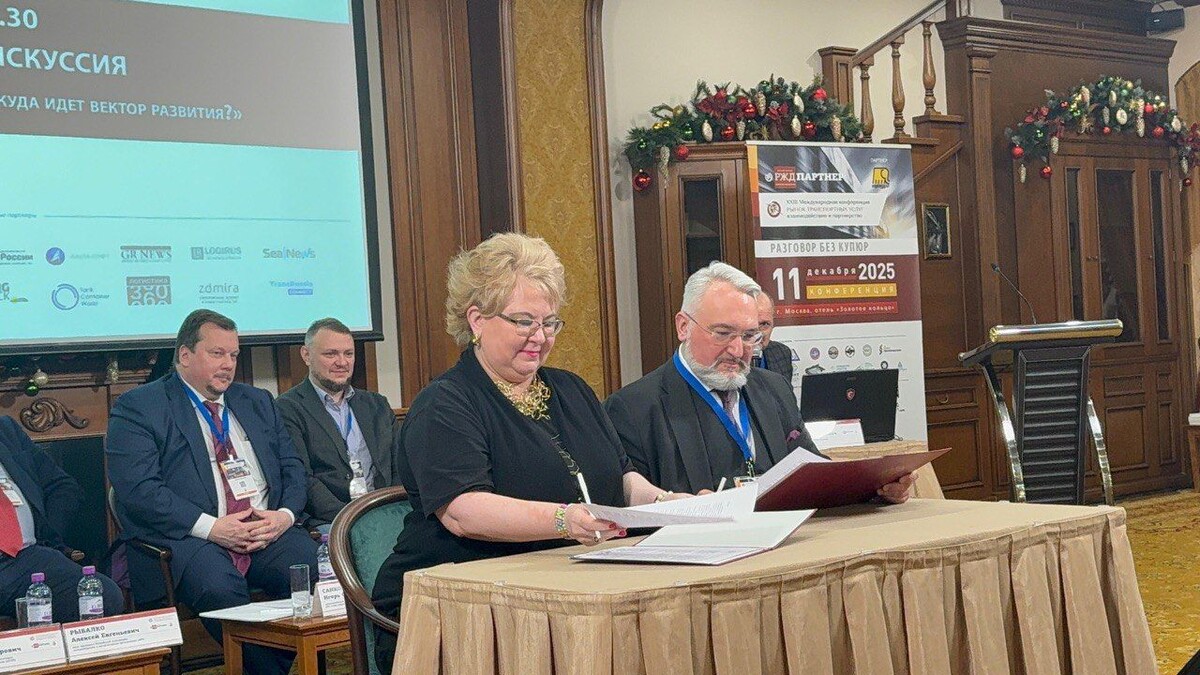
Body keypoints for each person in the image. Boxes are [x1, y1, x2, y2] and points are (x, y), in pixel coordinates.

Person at [372, 233, 681, 672]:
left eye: (550, 323)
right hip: (459, 612)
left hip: (569, 594)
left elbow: (622, 477)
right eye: (524, 322)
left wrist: (669, 504)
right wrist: (566, 519)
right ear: (477, 320)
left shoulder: (572, 389)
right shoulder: (444, 404)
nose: (540, 337)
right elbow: (464, 512)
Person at [106, 310, 317, 675]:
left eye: (233, 355)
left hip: (264, 530)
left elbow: (293, 468)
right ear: (185, 355)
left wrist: (283, 517)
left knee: (316, 570)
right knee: (219, 588)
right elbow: (139, 490)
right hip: (190, 537)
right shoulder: (141, 407)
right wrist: (212, 527)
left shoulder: (257, 401)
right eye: (217, 353)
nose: (228, 365)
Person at [605, 261, 914, 501]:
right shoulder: (632, 409)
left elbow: (812, 471)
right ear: (683, 326)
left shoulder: (774, 388)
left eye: (750, 336)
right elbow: (626, 512)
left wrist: (877, 489)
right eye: (723, 333)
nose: (738, 350)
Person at [277, 318, 400, 532]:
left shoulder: (377, 405)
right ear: (306, 355)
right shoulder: (288, 408)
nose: (342, 362)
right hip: (331, 520)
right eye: (331, 354)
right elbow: (303, 479)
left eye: (348, 354)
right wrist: (353, 519)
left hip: (385, 511)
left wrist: (393, 510)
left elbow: (400, 466)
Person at [0, 417, 124, 622]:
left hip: (26, 558)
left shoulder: (5, 429)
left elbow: (61, 486)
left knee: (104, 598)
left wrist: (48, 535)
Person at [753, 292, 793, 383]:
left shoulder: (782, 353)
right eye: (751, 325)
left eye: (764, 324)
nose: (757, 334)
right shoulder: (727, 360)